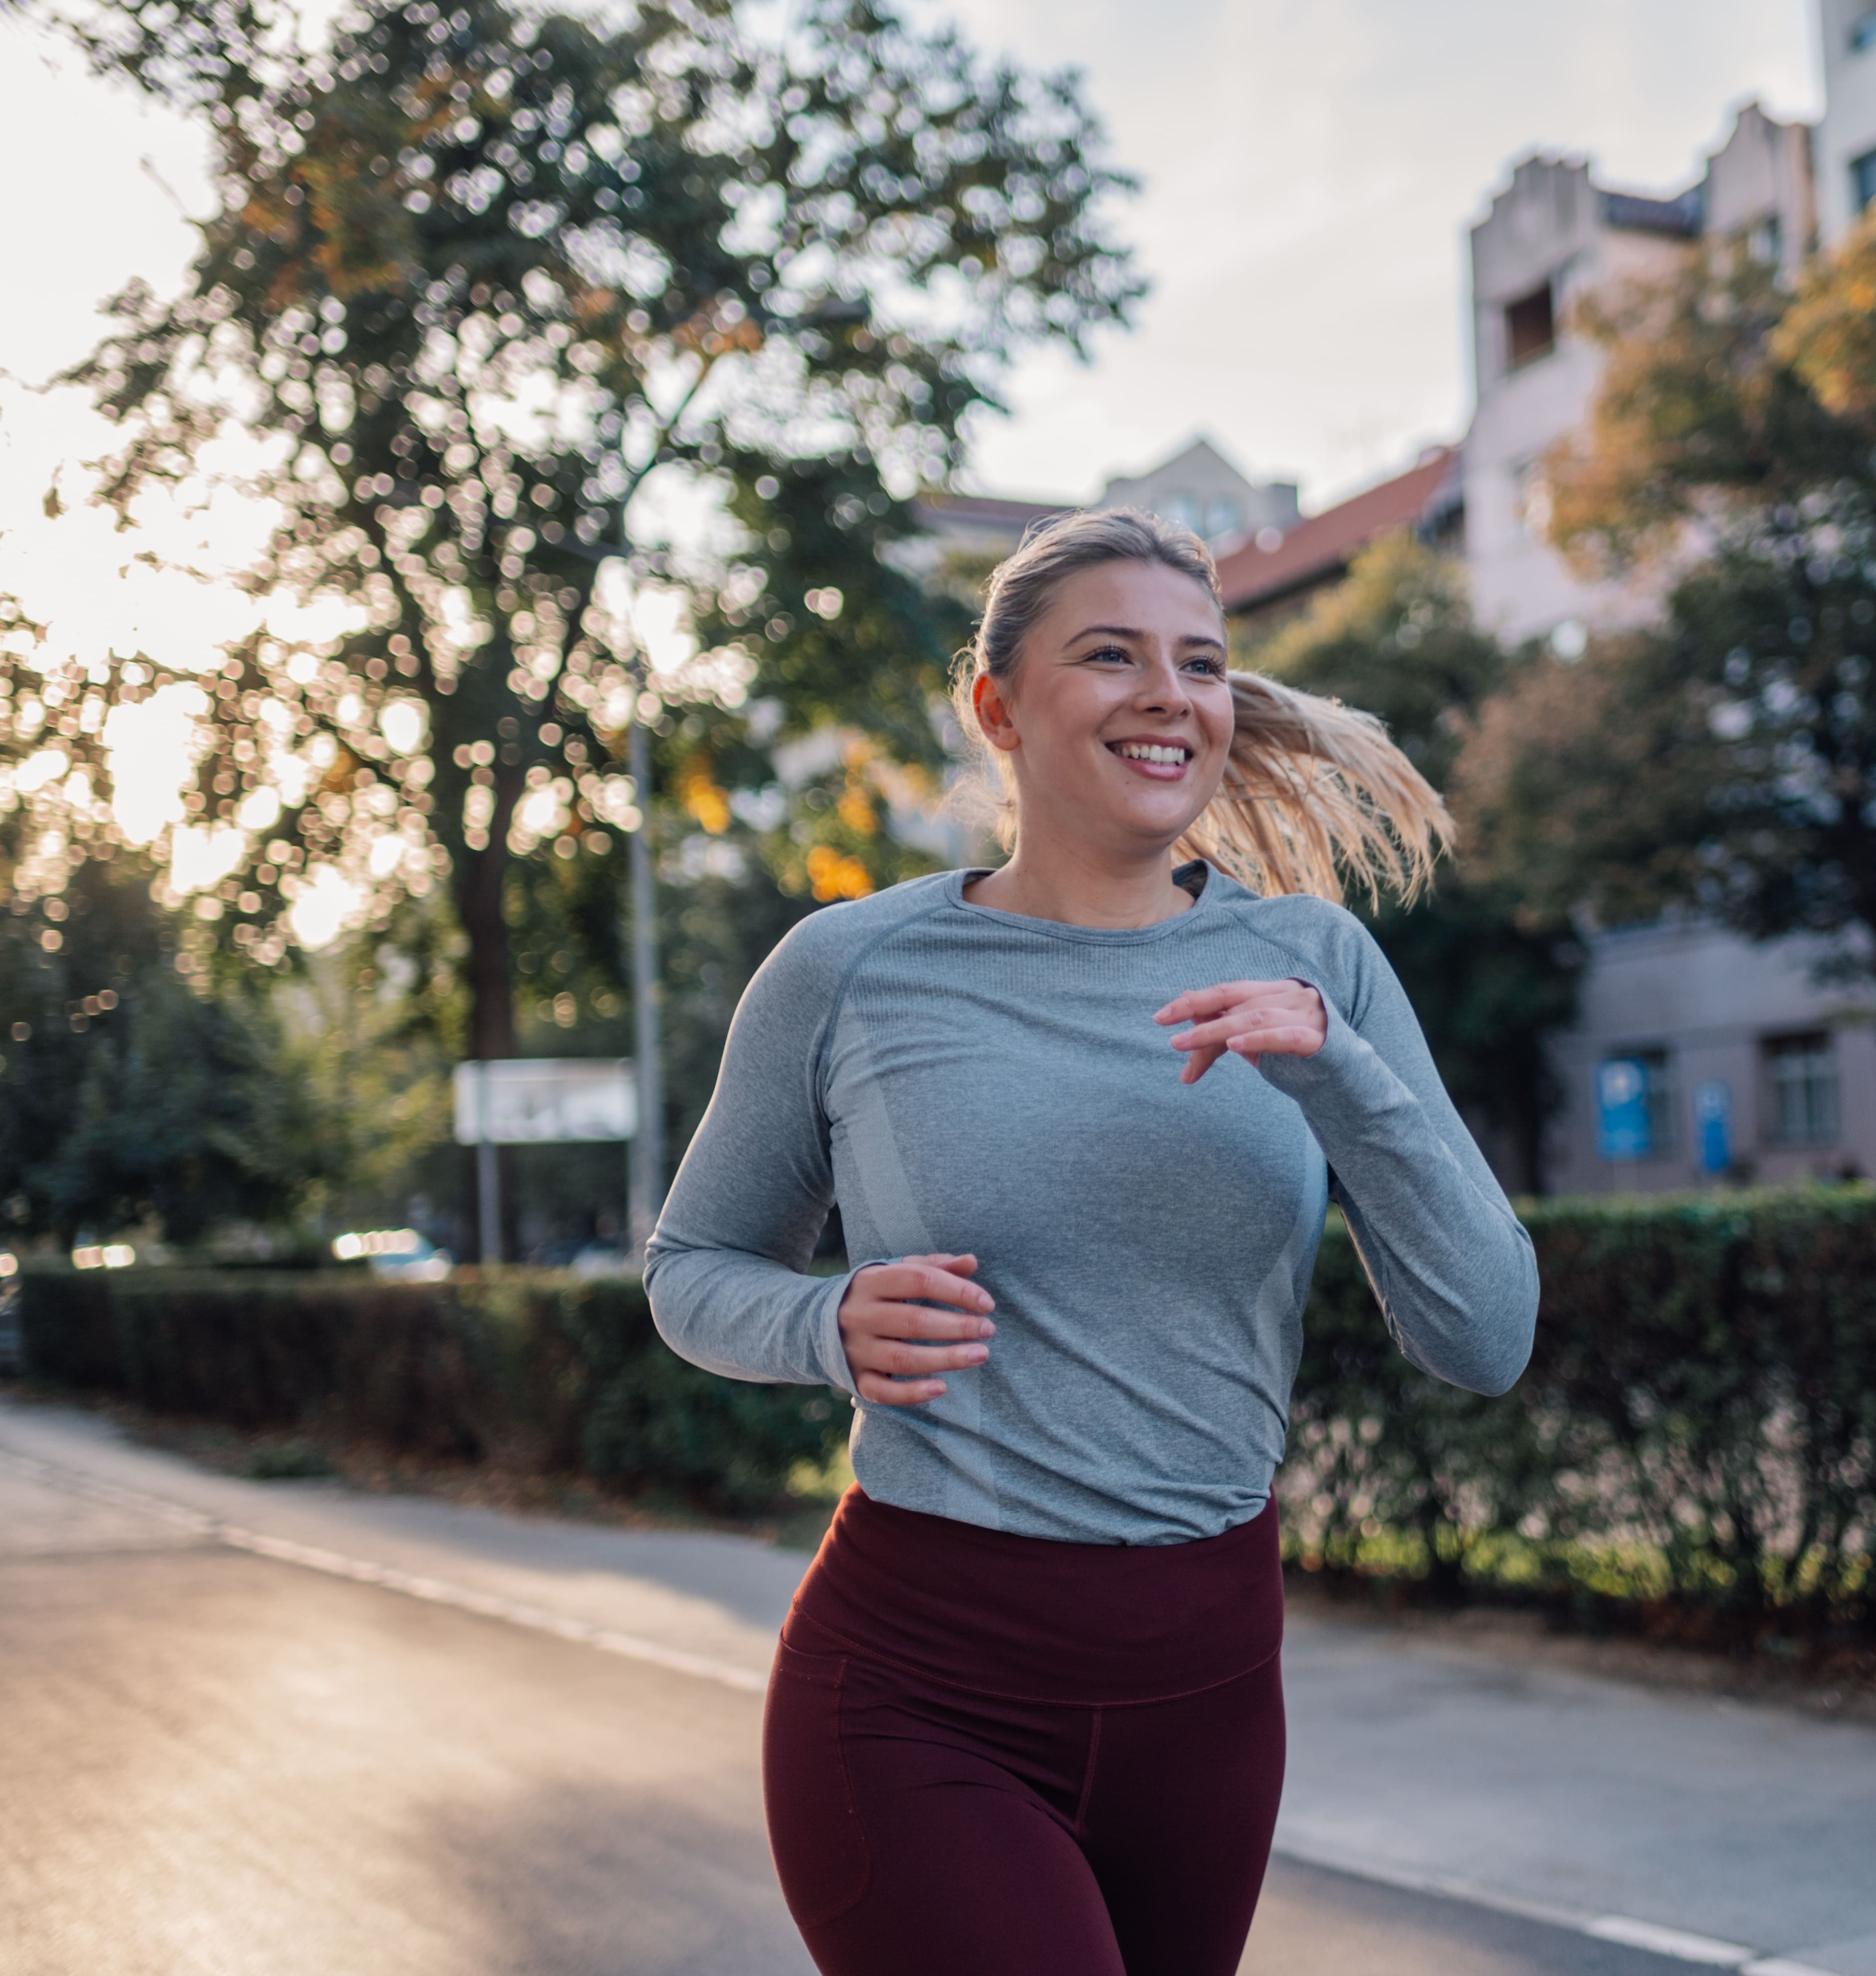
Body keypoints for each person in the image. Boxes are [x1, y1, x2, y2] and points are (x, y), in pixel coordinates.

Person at [643, 508, 1538, 1976]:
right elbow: (691, 1268)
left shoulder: (1315, 962)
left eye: (1200, 660)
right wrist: (826, 1324)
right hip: (921, 1687)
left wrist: (1342, 1080)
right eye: (1109, 653)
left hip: (1210, 1689)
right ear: (997, 705)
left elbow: (1486, 1336)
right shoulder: (851, 967)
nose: (1166, 691)